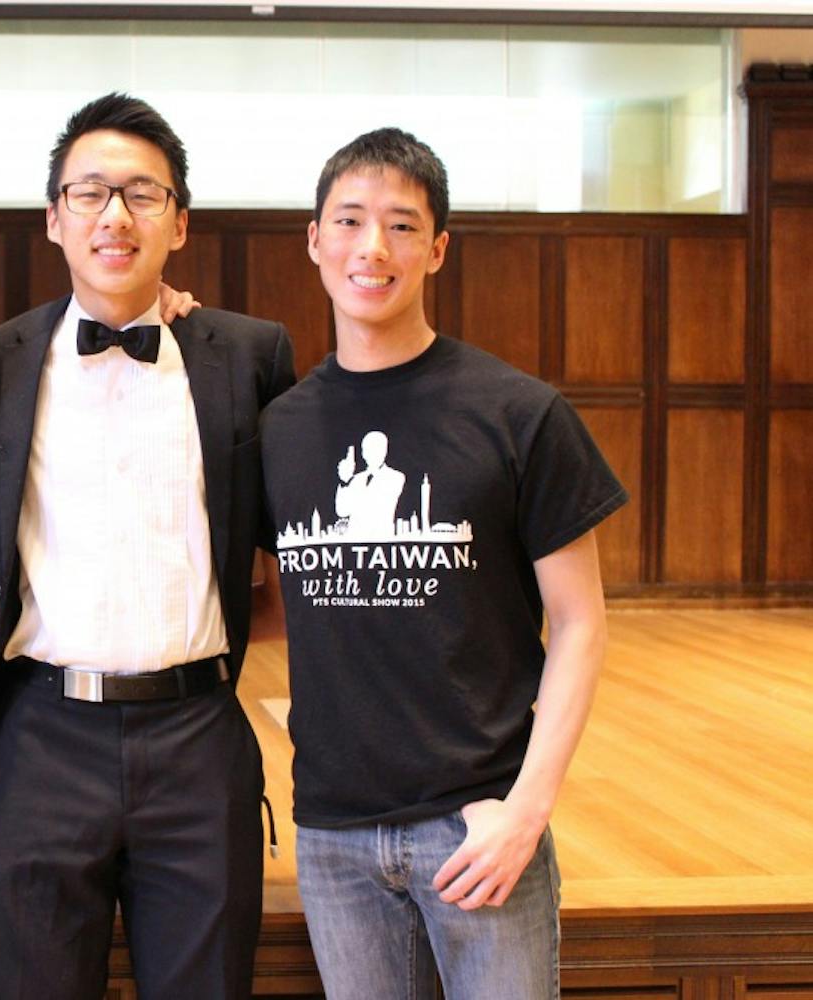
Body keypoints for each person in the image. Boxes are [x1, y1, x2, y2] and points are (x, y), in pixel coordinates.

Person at [261, 127, 628, 999]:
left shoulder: (518, 414)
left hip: (477, 825)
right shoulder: (280, 428)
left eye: (401, 224)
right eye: (348, 220)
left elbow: (581, 623)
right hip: (335, 838)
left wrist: (527, 812)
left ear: (438, 249)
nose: (372, 247)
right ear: (315, 240)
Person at [0, 93, 296, 1000]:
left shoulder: (247, 355)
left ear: (180, 222)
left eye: (142, 195)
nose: (114, 215)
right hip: (39, 732)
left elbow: (292, 540)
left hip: (199, 735)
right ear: (54, 218)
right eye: (89, 193)